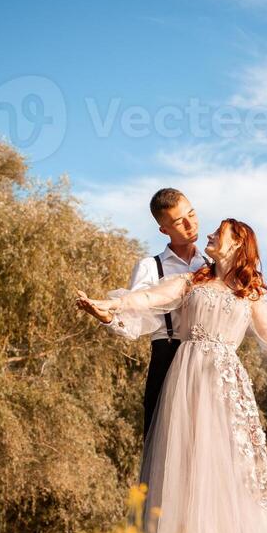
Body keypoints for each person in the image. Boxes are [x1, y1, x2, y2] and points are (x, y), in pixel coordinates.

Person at [76, 218, 267, 533]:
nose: (208, 234)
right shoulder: (190, 281)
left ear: (237, 244)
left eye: (218, 233)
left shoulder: (250, 293)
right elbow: (146, 298)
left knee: (227, 458)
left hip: (226, 381)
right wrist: (109, 305)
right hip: (187, 376)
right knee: (186, 454)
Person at [99, 188, 210, 440]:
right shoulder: (151, 266)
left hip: (208, 360)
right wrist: (108, 317)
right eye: (180, 222)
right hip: (168, 356)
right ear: (164, 230)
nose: (190, 224)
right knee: (165, 442)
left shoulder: (212, 265)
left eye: (192, 214)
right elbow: (135, 319)